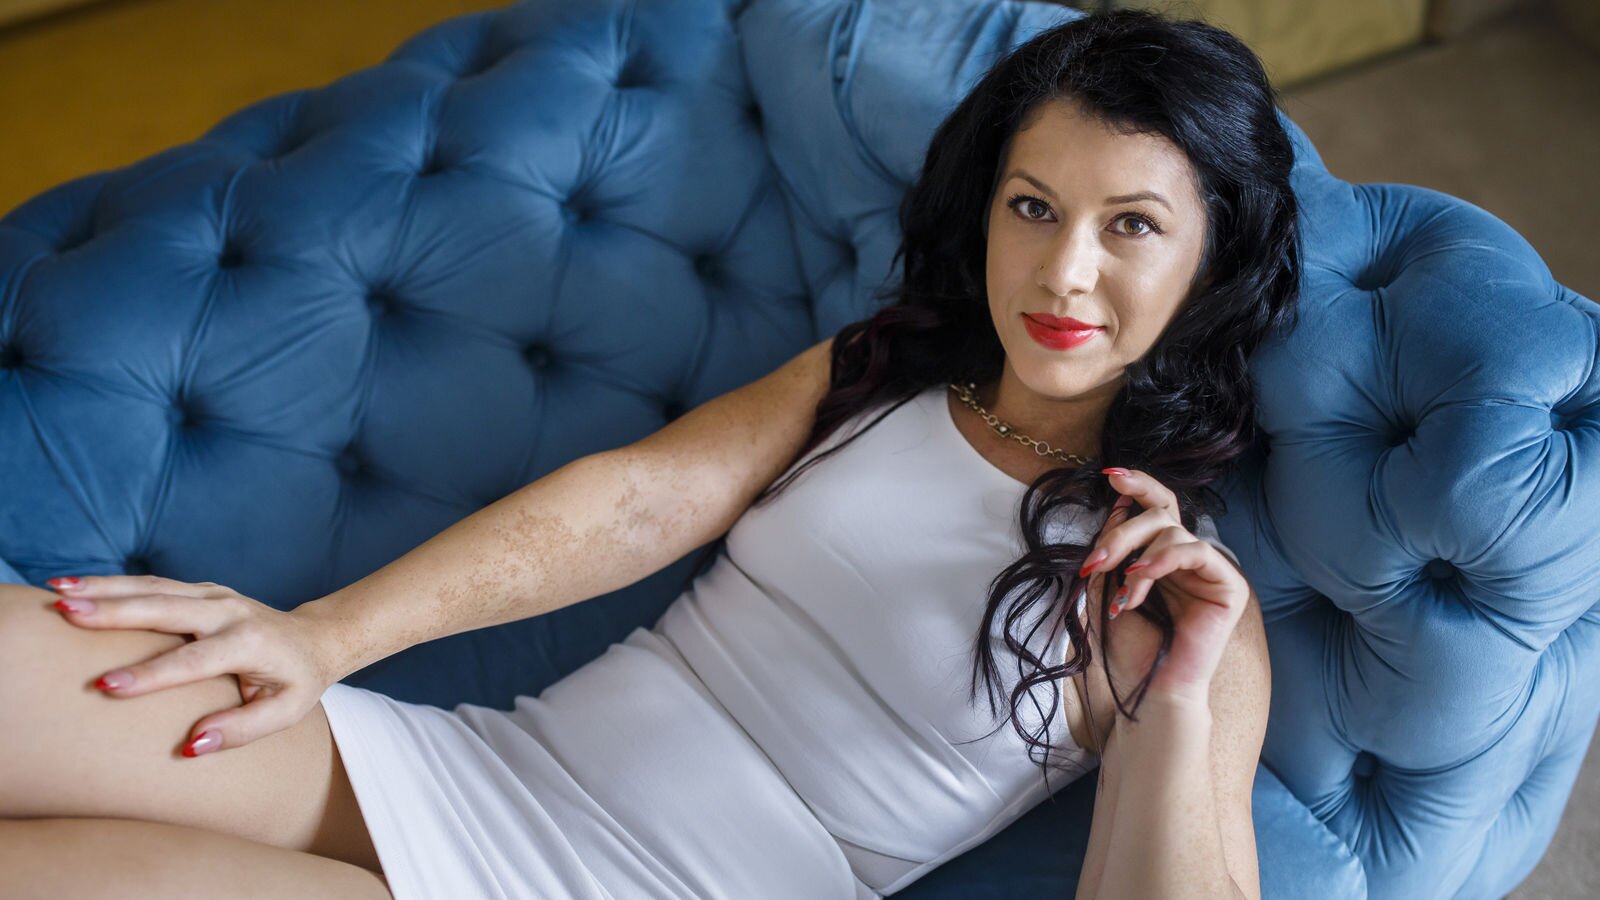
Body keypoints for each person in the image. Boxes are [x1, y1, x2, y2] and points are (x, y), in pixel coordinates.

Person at [0, 8, 1299, 898]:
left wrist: (1181, 700)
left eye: (1132, 227)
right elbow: (638, 499)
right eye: (1034, 206)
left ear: (1214, 263)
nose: (1063, 271)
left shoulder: (1179, 604)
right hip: (478, 772)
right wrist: (320, 641)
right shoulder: (889, 371)